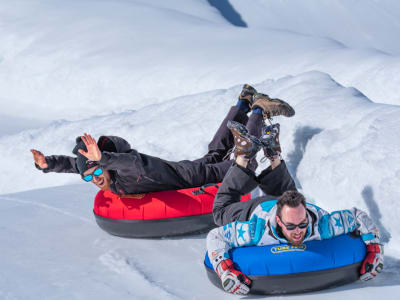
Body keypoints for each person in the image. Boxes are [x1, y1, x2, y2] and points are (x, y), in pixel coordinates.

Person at [206, 125, 384, 295]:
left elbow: (357, 216)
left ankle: (273, 154)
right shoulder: (255, 231)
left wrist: (374, 250)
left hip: (290, 203)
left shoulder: (324, 225)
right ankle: (244, 157)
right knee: (220, 212)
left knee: (291, 195)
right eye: (291, 227)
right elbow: (215, 236)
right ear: (279, 222)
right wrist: (225, 269)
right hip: (259, 209)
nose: (298, 231)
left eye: (302, 224)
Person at [30, 85, 295, 196]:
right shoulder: (102, 174)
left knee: (244, 160)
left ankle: (260, 110)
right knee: (216, 151)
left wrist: (105, 159)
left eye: (98, 171)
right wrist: (48, 164)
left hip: (191, 178)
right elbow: (75, 165)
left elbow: (131, 161)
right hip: (183, 169)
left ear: (109, 164)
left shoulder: (131, 169)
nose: (95, 179)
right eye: (89, 177)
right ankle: (243, 101)